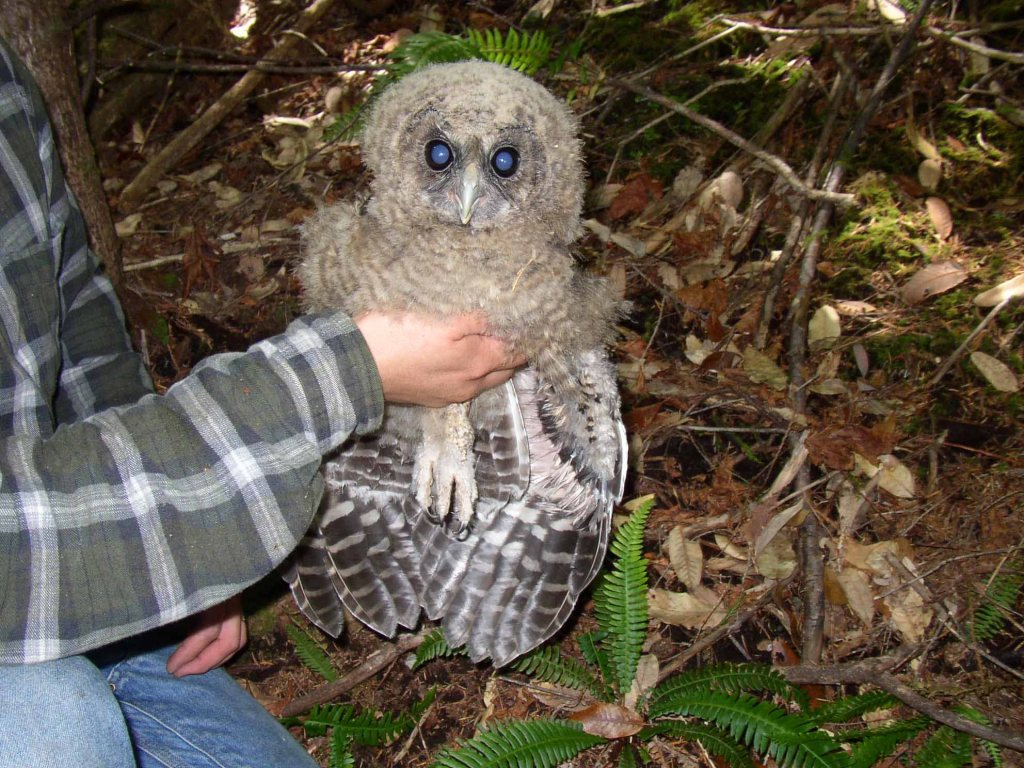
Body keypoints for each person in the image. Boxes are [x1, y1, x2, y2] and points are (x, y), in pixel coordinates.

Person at [0, 36, 521, 768]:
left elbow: (81, 336)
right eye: (437, 159)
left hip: (70, 550)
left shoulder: (7, 87)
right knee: (61, 734)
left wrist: (180, 558)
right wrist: (347, 371)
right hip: (26, 578)